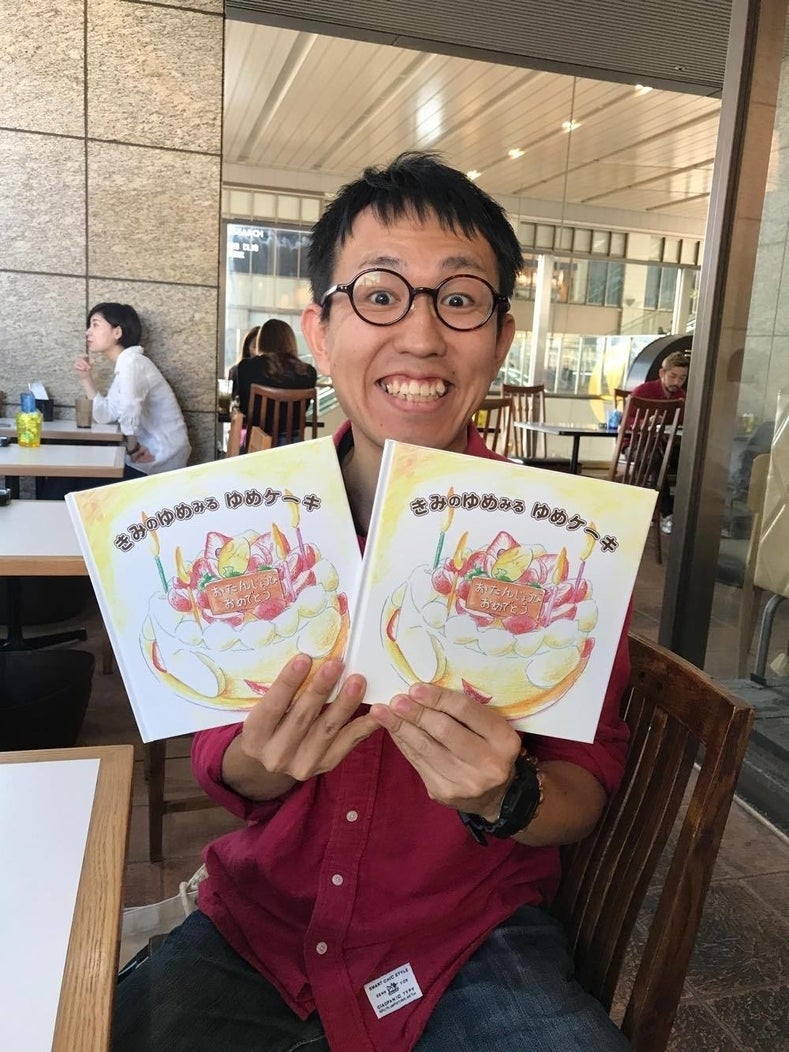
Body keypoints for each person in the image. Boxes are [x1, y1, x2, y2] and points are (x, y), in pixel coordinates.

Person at [112, 153, 631, 1052]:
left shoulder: (564, 547)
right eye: (380, 295)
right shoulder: (239, 528)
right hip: (259, 926)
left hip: (472, 938)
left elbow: (582, 792)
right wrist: (265, 761)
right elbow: (222, 764)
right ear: (320, 331)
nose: (421, 337)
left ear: (501, 338)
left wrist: (506, 795)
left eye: (459, 299)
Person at [76, 302, 190, 476]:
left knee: (74, 477)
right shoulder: (127, 364)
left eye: (95, 325)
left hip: (159, 457)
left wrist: (133, 448)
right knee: (75, 475)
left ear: (117, 332)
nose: (88, 332)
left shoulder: (132, 363)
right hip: (147, 454)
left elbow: (130, 407)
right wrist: (86, 379)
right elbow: (105, 415)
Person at [626, 350, 689, 534]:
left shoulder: (682, 397)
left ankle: (681, 514)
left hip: (666, 444)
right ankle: (667, 514)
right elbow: (626, 422)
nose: (677, 382)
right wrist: (645, 422)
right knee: (656, 460)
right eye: (673, 376)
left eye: (682, 378)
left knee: (690, 461)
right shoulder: (643, 391)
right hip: (635, 444)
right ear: (662, 373)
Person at [236, 317, 318, 440]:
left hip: (257, 442)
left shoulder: (246, 367)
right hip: (293, 443)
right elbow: (302, 411)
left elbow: (244, 409)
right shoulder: (308, 372)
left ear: (261, 341)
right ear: (290, 341)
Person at [228, 324, 260, 402]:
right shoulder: (235, 371)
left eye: (262, 347)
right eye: (255, 346)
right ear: (247, 348)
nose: (258, 352)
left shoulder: (273, 374)